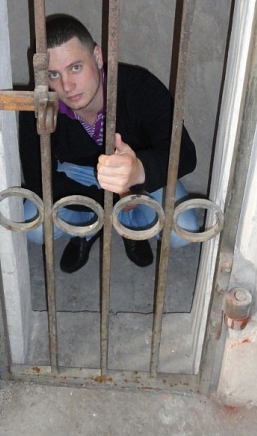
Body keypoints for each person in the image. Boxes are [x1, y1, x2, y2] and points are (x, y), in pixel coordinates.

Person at [18, 15, 198, 273]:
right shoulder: (40, 104)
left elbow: (186, 153)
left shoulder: (138, 86)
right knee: (33, 225)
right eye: (53, 74)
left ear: (98, 56)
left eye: (75, 68)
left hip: (135, 177)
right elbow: (38, 179)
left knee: (183, 229)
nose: (66, 86)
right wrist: (114, 199)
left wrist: (138, 173)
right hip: (77, 178)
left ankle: (128, 226)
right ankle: (90, 228)